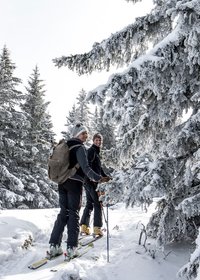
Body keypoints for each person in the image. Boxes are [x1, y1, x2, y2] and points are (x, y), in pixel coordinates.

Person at [48, 124, 108, 259]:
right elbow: (86, 168)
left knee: (64, 212)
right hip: (74, 184)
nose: (85, 136)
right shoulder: (79, 147)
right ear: (76, 134)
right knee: (74, 214)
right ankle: (71, 248)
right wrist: (100, 178)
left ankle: (54, 246)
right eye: (83, 134)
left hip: (62, 182)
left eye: (86, 134)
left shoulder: (66, 146)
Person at [80, 133, 111, 237]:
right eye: (96, 140)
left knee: (89, 203)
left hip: (89, 181)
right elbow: (86, 165)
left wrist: (106, 177)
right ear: (93, 141)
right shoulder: (91, 151)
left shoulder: (96, 152)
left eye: (99, 141)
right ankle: (97, 229)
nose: (98, 142)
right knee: (97, 203)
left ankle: (84, 227)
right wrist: (93, 178)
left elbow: (99, 169)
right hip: (90, 181)